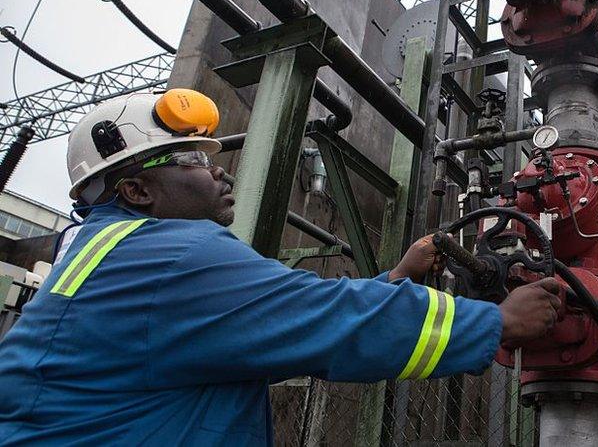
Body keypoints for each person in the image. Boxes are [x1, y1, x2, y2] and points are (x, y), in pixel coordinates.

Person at [0, 90, 562, 445]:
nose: (219, 172)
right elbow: (329, 320)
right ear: (137, 189)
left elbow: (275, 325)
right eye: (195, 158)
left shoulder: (103, 255)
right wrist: (497, 324)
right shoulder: (171, 258)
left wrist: (393, 279)